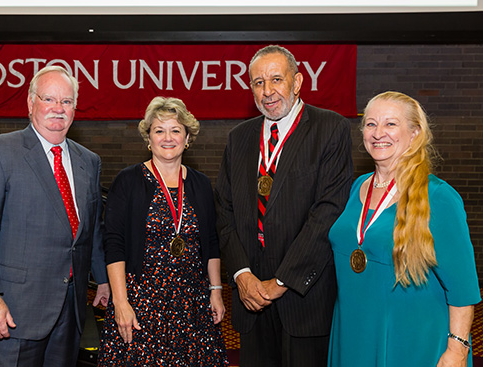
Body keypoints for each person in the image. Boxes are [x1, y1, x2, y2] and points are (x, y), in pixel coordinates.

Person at [0, 65, 110, 367]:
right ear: (30, 103)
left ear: (75, 108)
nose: (58, 108)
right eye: (49, 99)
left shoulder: (88, 161)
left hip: (69, 312)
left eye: (66, 101)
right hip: (13, 311)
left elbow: (90, 230)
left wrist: (103, 279)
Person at [215, 45, 353, 367]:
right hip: (251, 299)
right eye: (258, 82)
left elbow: (327, 214)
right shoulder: (239, 138)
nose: (267, 91)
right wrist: (241, 274)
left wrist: (280, 282)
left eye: (276, 79)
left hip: (303, 298)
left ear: (298, 81)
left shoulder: (329, 129)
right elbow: (224, 210)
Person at [327, 91, 481, 367]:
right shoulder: (357, 187)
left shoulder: (439, 198)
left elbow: (462, 286)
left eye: (390, 124)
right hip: (353, 331)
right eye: (371, 124)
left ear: (414, 134)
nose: (378, 133)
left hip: (411, 340)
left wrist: (457, 350)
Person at [98, 96, 228, 366]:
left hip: (192, 304)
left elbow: (211, 243)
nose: (167, 138)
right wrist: (120, 303)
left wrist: (216, 290)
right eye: (159, 130)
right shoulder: (128, 181)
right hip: (141, 302)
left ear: (187, 137)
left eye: (175, 130)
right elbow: (114, 244)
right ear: (148, 137)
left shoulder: (201, 184)